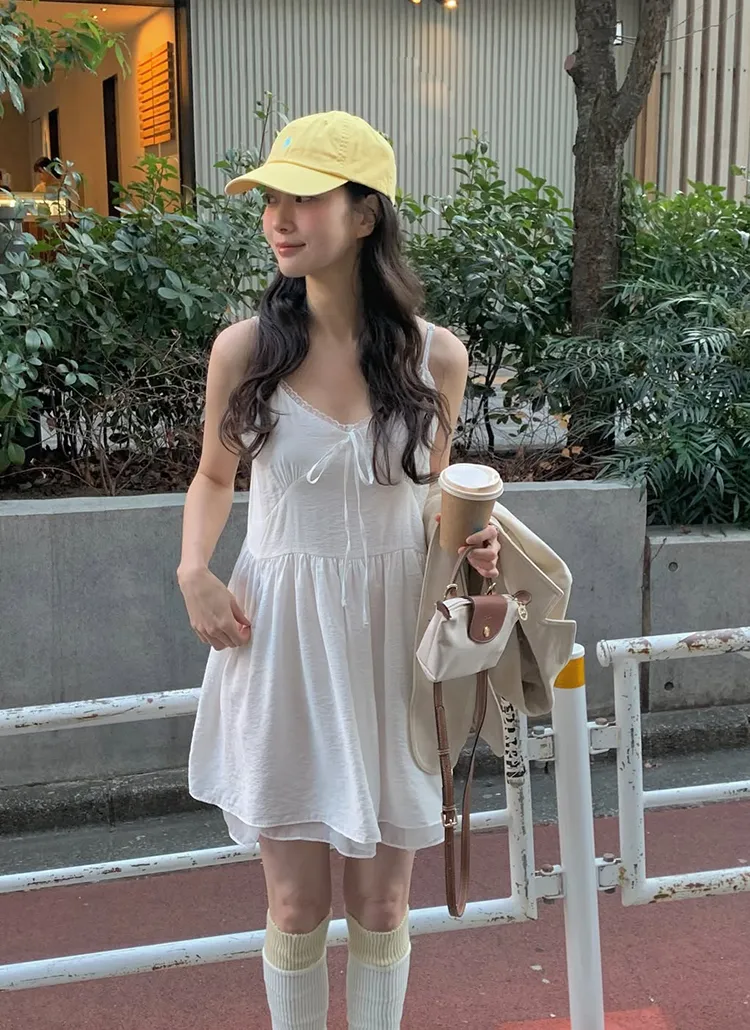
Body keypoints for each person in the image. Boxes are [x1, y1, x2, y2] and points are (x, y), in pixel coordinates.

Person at [178, 111, 501, 1030]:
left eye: (305, 198)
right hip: (282, 633)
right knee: (294, 906)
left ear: (365, 215)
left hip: (395, 635)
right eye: (271, 200)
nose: (280, 218)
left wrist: (472, 544)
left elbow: (433, 498)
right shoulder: (245, 349)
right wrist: (194, 568)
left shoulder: (436, 356)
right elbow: (213, 476)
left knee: (383, 905)